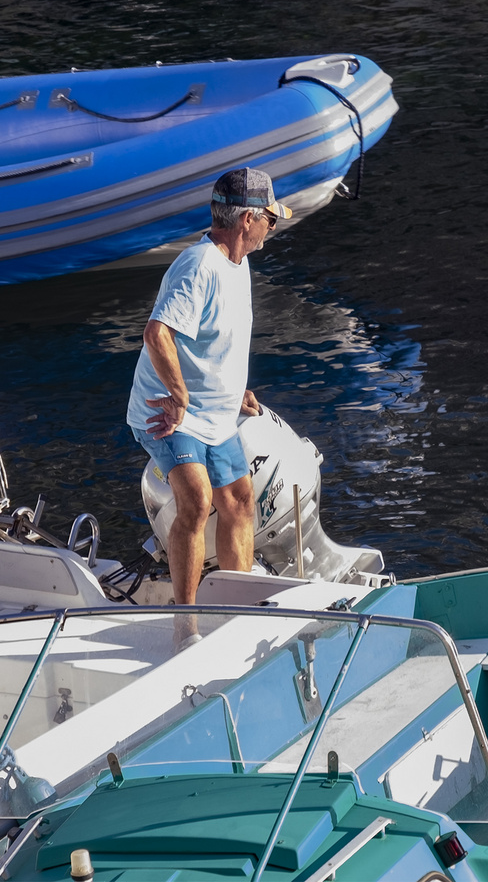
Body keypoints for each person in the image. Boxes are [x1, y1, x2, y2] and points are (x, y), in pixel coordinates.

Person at [126, 168, 293, 638]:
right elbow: (158, 334)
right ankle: (187, 624)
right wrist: (178, 395)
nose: (271, 228)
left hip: (213, 412)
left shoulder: (239, 266)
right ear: (247, 220)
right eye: (270, 220)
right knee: (197, 502)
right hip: (168, 412)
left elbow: (216, 341)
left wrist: (234, 389)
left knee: (239, 501)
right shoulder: (198, 265)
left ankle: (236, 614)